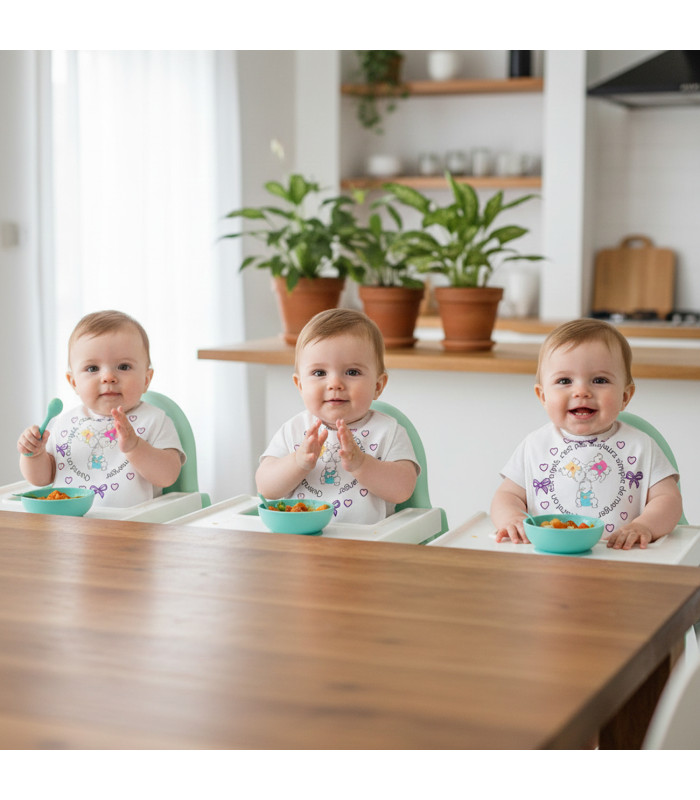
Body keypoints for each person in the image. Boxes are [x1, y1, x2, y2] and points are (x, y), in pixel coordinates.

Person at [490, 318, 683, 550]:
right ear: (543, 396)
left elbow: (668, 500)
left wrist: (644, 526)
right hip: (546, 556)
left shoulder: (641, 446)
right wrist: (511, 518)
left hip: (620, 558)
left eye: (599, 380)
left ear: (625, 396)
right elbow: (506, 496)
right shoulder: (534, 446)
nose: (581, 391)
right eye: (564, 381)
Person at [257, 308, 419, 524]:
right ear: (300, 385)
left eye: (352, 372)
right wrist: (298, 462)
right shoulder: (293, 430)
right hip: (300, 542)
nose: (335, 384)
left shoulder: (388, 431)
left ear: (378, 386)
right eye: (319, 373)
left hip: (366, 546)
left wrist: (362, 464)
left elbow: (403, 489)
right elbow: (265, 487)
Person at [17, 310, 185, 507]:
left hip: (133, 527)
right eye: (92, 369)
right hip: (70, 523)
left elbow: (167, 476)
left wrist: (135, 447)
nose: (108, 377)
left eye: (123, 367)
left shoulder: (154, 420)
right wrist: (34, 455)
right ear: (73, 383)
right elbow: (41, 479)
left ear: (146, 379)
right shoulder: (63, 423)